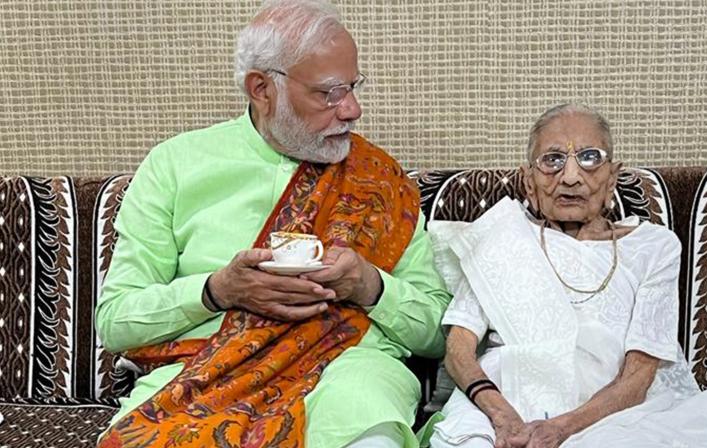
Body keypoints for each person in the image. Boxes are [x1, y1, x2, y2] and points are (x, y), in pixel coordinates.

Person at [94, 1, 450, 447]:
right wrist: (217, 291)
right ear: (261, 88)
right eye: (329, 93)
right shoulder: (175, 165)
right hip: (201, 379)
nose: (352, 110)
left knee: (366, 427)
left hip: (346, 373)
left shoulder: (378, 180)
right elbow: (116, 322)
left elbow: (441, 333)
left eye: (353, 87)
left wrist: (369, 285)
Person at [425, 104, 707, 447]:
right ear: (528, 182)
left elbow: (638, 377)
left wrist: (562, 428)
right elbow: (459, 351)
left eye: (589, 158)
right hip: (502, 402)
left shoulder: (653, 246)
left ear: (612, 177)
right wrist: (504, 417)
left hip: (611, 413)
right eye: (552, 160)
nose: (570, 177)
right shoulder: (502, 238)